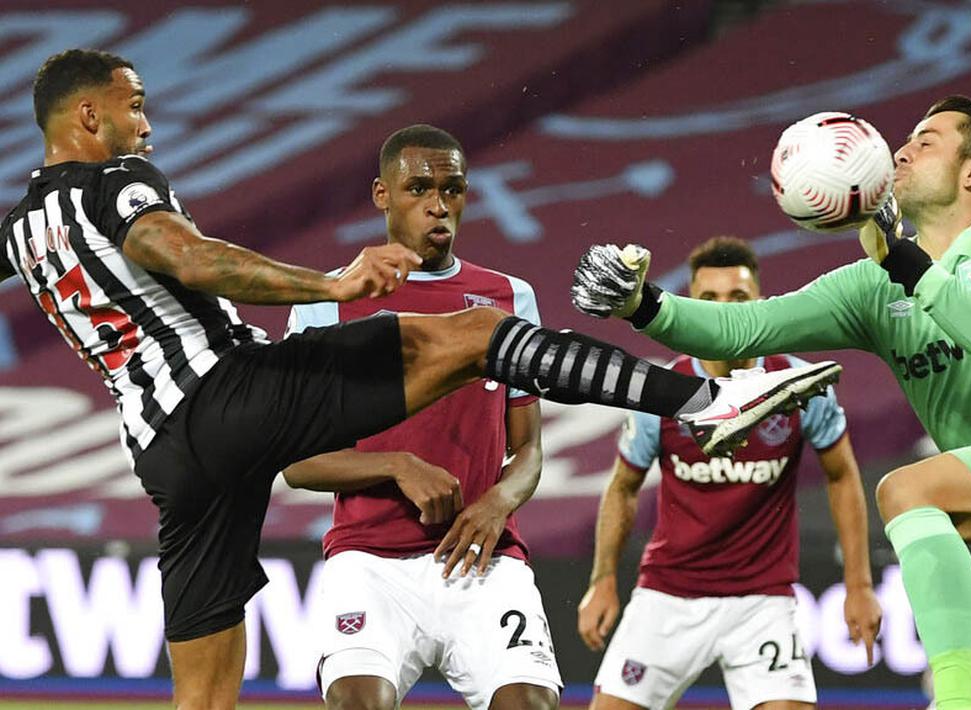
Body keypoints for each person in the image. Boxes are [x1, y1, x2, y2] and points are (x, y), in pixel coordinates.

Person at [0, 48, 841, 709]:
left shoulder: (21, 228)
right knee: (478, 335)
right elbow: (179, 253)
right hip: (227, 392)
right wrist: (327, 285)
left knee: (203, 694)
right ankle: (706, 397)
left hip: (162, 453)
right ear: (88, 114)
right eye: (133, 104)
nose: (145, 122)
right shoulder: (120, 182)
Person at [571, 96, 971, 709]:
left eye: (925, 141)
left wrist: (905, 261)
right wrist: (642, 305)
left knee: (908, 492)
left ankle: (957, 700)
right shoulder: (875, 286)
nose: (900, 152)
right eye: (904, 140)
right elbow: (745, 330)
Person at [282, 124, 561, 710]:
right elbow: (298, 464)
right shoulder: (327, 306)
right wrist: (398, 465)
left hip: (481, 557)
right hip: (369, 559)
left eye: (453, 189)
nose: (439, 205)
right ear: (381, 194)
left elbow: (529, 451)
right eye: (418, 189)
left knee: (531, 704)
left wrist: (498, 502)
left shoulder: (511, 299)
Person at [576, 236, 881, 710]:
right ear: (688, 307)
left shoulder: (800, 385)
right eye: (708, 300)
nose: (723, 311)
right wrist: (602, 580)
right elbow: (623, 487)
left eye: (737, 298)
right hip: (668, 596)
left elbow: (842, 477)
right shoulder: (663, 389)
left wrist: (859, 585)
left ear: (760, 302)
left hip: (763, 600)